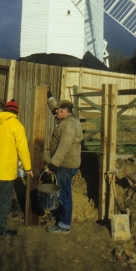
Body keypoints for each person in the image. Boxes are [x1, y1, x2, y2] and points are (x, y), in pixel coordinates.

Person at [0, 99, 33, 237]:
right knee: (4, 201)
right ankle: (0, 229)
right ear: (16, 112)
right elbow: (23, 149)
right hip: (6, 171)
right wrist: (28, 167)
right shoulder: (16, 126)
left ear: (4, 110)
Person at [46, 91, 83, 234]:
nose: (55, 114)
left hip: (65, 165)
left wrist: (53, 164)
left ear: (65, 111)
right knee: (63, 193)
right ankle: (62, 219)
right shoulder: (68, 119)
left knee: (64, 195)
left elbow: (63, 147)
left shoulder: (68, 126)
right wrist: (50, 97)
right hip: (66, 164)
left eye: (58, 112)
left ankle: (64, 225)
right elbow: (55, 108)